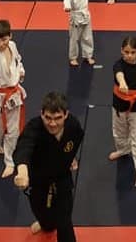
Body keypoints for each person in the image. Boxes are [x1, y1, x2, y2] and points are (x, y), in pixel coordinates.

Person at [14, 92, 84, 242]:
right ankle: (46, 224)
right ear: (42, 114)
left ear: (66, 115)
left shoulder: (73, 126)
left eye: (58, 118)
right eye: (48, 118)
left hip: (61, 177)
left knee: (64, 221)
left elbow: (76, 140)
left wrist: (70, 158)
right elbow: (23, 148)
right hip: (39, 178)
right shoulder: (34, 127)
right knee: (41, 213)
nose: (52, 123)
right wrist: (22, 173)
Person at [0, 20, 27, 178]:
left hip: (13, 94)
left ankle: (10, 161)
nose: (1, 44)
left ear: (10, 36)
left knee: (12, 130)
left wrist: (21, 71)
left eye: (4, 40)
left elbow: (18, 60)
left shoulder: (13, 45)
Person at [109, 37, 136, 188]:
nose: (129, 55)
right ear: (121, 51)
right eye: (126, 52)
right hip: (119, 104)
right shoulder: (118, 65)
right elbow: (119, 74)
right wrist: (122, 82)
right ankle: (123, 150)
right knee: (119, 132)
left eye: (133, 52)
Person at [63, 0, 95, 66]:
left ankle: (88, 55)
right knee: (74, 39)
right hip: (76, 17)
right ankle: (73, 58)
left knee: (87, 37)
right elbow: (66, 0)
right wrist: (67, 7)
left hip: (85, 16)